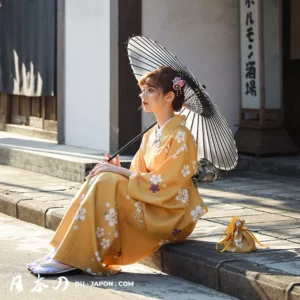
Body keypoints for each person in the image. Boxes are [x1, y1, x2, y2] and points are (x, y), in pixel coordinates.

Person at [26, 66, 208, 276]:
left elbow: (166, 181)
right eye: (144, 90)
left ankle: (72, 256)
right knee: (102, 176)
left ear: (168, 97)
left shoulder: (181, 136)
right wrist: (118, 169)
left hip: (171, 214)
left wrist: (118, 173)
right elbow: (138, 175)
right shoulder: (152, 135)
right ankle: (66, 250)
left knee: (108, 180)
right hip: (154, 202)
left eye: (150, 90)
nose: (143, 94)